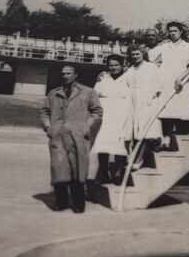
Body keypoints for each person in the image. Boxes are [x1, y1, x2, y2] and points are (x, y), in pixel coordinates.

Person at [40, 65, 102, 213]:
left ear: (75, 75)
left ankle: (78, 205)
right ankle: (61, 203)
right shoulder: (54, 93)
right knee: (59, 169)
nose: (65, 76)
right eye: (63, 73)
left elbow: (97, 112)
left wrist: (87, 127)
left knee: (78, 170)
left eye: (68, 73)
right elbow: (44, 111)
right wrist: (49, 127)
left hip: (78, 136)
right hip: (58, 136)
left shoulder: (88, 92)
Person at [156, 21, 189, 152]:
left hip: (180, 81)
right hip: (165, 81)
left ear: (181, 32)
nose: (172, 33)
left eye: (175, 31)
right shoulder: (164, 47)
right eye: (170, 31)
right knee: (165, 111)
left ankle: (175, 141)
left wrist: (181, 78)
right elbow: (157, 62)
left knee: (179, 110)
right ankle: (166, 140)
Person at [90, 55, 131, 186]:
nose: (113, 68)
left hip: (122, 116)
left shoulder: (128, 78)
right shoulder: (102, 80)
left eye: (116, 65)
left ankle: (118, 172)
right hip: (106, 117)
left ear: (122, 65)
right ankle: (103, 172)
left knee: (120, 145)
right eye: (111, 65)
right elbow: (95, 98)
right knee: (102, 143)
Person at [122, 46, 163, 171]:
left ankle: (139, 159)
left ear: (142, 54)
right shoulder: (130, 69)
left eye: (137, 54)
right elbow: (123, 84)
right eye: (133, 54)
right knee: (132, 131)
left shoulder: (151, 67)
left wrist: (150, 100)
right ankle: (131, 158)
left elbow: (158, 86)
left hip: (147, 102)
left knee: (144, 131)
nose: (135, 56)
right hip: (133, 102)